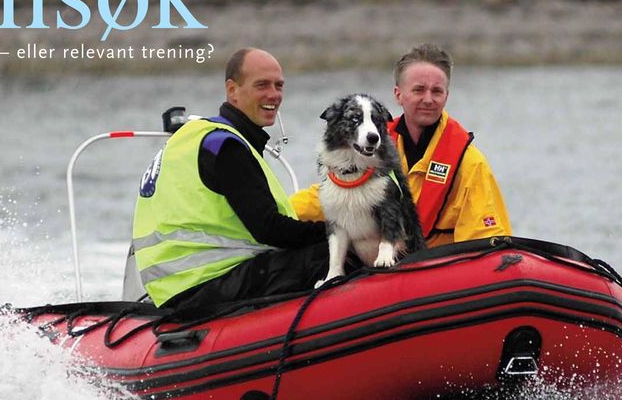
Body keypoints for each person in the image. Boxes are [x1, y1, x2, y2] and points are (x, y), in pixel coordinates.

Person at [132, 48, 328, 311]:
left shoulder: (197, 136)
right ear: (232, 90)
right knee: (332, 253)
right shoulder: (227, 148)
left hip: (175, 288)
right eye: (262, 85)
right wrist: (337, 232)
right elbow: (270, 229)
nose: (274, 95)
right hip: (208, 284)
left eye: (279, 85)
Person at [292, 44, 511, 247]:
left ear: (446, 96)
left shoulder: (470, 163)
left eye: (437, 91)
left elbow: (484, 241)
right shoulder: (370, 147)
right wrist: (283, 210)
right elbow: (333, 195)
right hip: (382, 263)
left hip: (438, 268)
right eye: (418, 90)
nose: (428, 99)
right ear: (399, 95)